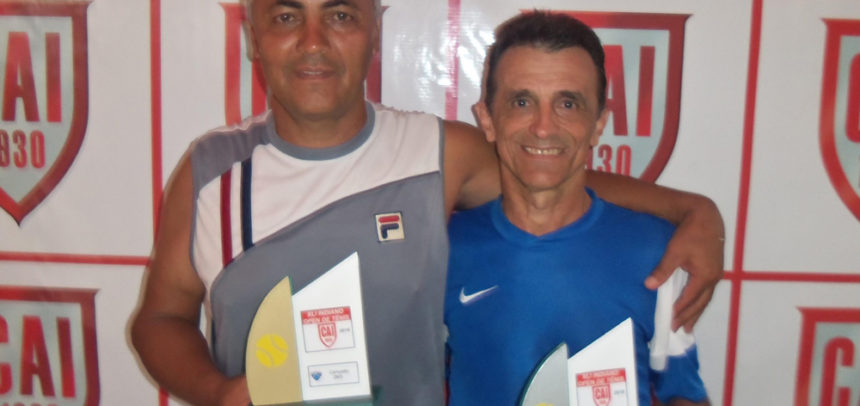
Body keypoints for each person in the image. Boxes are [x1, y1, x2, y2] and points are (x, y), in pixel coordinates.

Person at [130, 1, 723, 405]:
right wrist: (220, 393)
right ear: (252, 36)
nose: (313, 41)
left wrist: (695, 212)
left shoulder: (439, 153)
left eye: (340, 14)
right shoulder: (211, 171)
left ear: (374, 30)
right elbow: (160, 322)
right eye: (286, 16)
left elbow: (546, 169)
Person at [444, 11, 710, 406]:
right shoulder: (442, 251)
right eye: (522, 102)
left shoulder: (657, 253)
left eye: (567, 103)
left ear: (599, 123)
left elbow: (684, 393)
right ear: (488, 119)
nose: (543, 127)